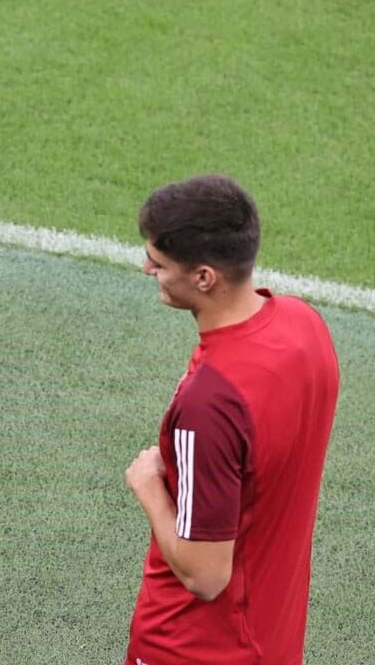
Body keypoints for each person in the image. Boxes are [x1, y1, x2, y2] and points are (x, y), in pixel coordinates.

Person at [123, 174, 340, 664]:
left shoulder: (210, 404)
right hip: (272, 634)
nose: (146, 268)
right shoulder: (304, 323)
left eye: (159, 263)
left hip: (192, 647)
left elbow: (206, 575)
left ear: (204, 277)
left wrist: (148, 487)